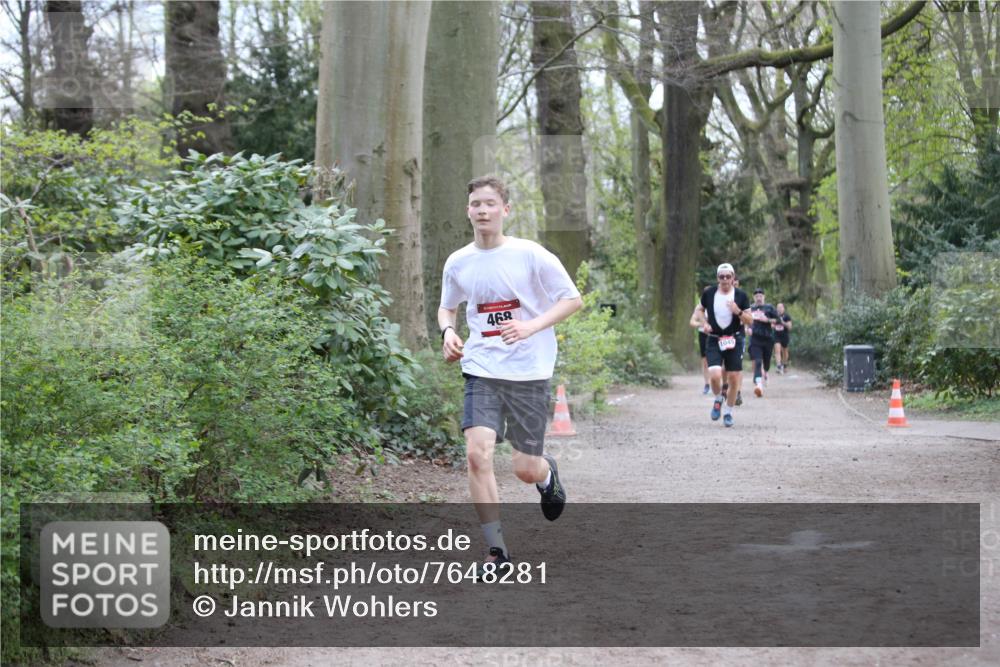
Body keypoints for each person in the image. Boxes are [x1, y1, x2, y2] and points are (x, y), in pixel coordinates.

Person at [439, 175, 583, 572]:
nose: (482, 211)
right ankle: (496, 550)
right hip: (482, 368)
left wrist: (531, 326)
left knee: (524, 468)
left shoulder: (531, 255)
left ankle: (546, 473)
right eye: (475, 204)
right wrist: (448, 332)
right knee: (476, 454)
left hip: (528, 370)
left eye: (489, 204)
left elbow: (573, 300)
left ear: (505, 210)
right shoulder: (459, 261)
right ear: (468, 210)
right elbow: (447, 307)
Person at [694, 263, 752, 427]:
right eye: (722, 277)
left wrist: (738, 311)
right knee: (715, 376)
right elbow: (699, 310)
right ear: (717, 278)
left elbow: (750, 320)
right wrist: (704, 322)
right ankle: (719, 398)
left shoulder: (740, 295)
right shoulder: (710, 293)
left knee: (733, 378)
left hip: (735, 339)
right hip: (714, 338)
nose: (725, 279)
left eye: (728, 276)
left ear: (733, 278)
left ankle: (728, 412)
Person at [748, 288, 779, 396]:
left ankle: (765, 372)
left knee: (766, 362)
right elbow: (745, 320)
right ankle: (759, 385)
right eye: (756, 296)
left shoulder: (769, 308)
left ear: (764, 297)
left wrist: (768, 320)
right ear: (754, 298)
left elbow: (778, 320)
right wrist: (748, 328)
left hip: (768, 338)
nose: (759, 298)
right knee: (757, 361)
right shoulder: (750, 308)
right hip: (755, 338)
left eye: (760, 296)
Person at [689, 291, 712, 395]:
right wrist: (702, 324)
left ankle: (719, 382)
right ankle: (707, 384)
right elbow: (692, 322)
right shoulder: (699, 307)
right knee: (705, 361)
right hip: (703, 335)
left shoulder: (716, 304)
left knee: (719, 360)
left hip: (716, 335)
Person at [773, 302, 792, 373]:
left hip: (784, 335)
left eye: (781, 307)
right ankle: (778, 366)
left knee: (785, 351)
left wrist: (782, 322)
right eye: (778, 307)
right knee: (777, 350)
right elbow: (771, 325)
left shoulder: (787, 316)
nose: (779, 309)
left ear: (783, 308)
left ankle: (785, 364)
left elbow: (790, 327)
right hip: (776, 335)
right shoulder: (774, 315)